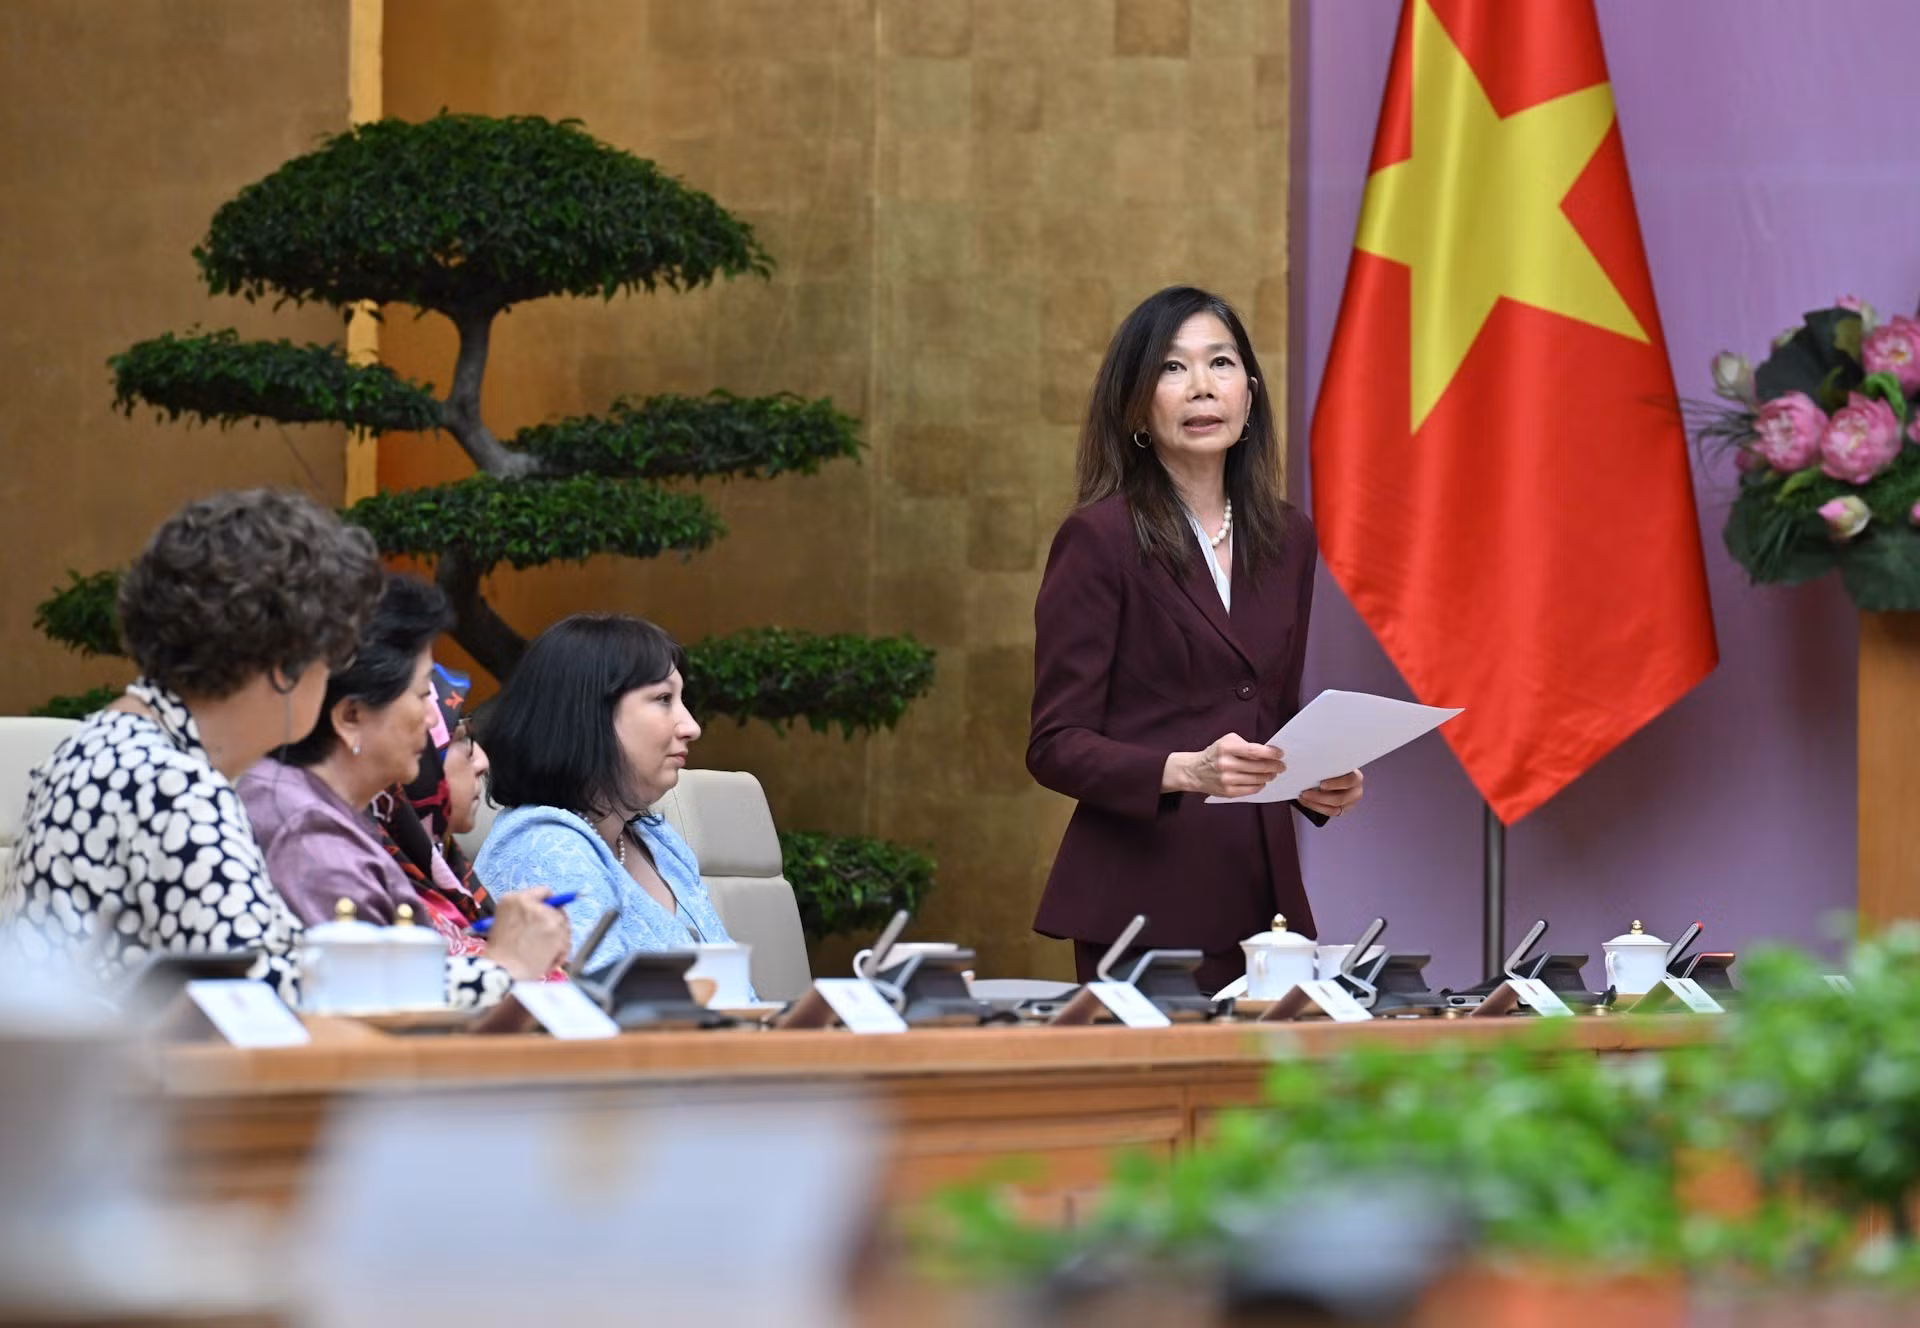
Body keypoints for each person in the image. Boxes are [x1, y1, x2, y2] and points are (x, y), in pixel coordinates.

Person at [1027, 286, 1365, 994]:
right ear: (1136, 408)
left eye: (1221, 362)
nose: (1203, 386)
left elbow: (1263, 714)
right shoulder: (1100, 540)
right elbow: (1055, 744)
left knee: (1262, 1105)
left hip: (1263, 905)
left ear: (1250, 394)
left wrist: (1313, 780)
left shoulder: (1289, 537)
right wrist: (1187, 771)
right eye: (1174, 368)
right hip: (1139, 905)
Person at [0, 489, 383, 1002]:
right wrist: (496, 976)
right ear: (286, 662)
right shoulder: (173, 786)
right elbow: (265, 994)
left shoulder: (108, 741)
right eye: (333, 651)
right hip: (133, 1080)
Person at [238, 575, 569, 1005]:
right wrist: (510, 965)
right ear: (351, 716)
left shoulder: (332, 811)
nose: (434, 722)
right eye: (419, 696)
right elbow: (378, 1022)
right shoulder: (310, 838)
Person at [475, 613, 744, 985]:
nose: (691, 726)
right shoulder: (544, 845)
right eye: (664, 699)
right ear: (589, 714)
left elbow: (734, 993)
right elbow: (607, 1010)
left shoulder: (657, 841)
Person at [372, 663, 494, 937]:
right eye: (461, 739)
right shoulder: (376, 878)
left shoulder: (446, 863)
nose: (482, 762)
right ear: (422, 761)